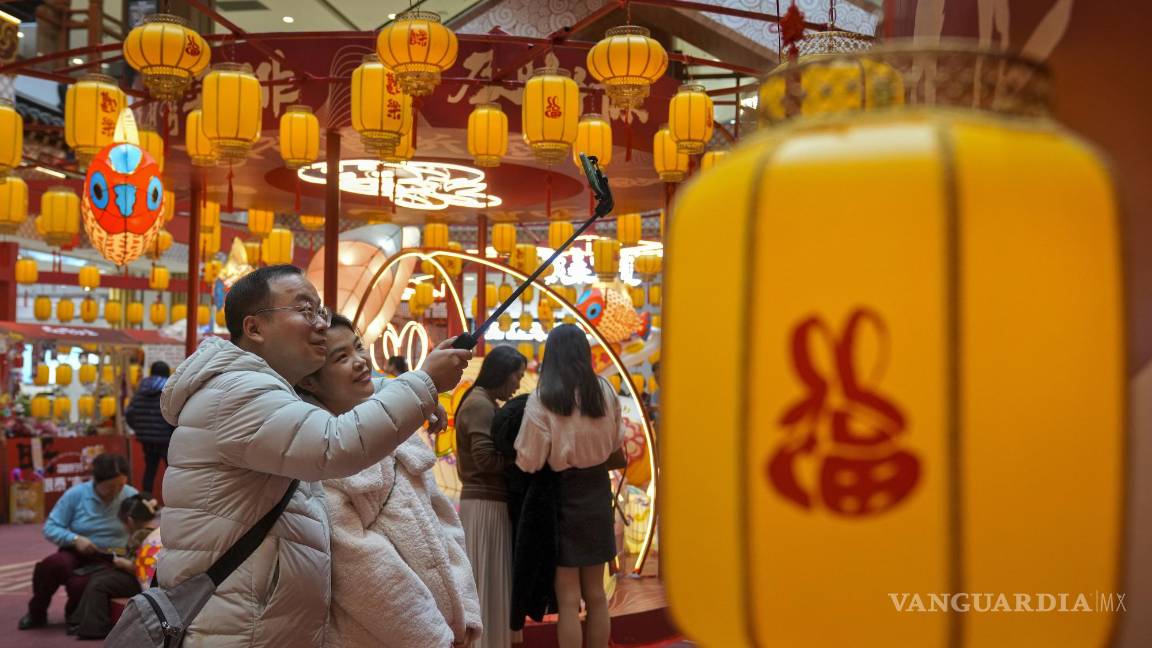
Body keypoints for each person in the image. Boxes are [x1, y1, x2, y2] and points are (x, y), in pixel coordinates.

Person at [157, 264, 471, 647]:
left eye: (320, 311)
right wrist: (424, 384)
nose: (321, 323)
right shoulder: (236, 392)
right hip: (238, 629)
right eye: (306, 310)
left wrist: (415, 396)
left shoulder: (273, 393)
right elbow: (333, 443)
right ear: (254, 328)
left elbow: (335, 402)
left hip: (261, 623)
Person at [297, 315, 481, 648]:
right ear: (310, 381)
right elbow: (361, 570)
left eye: (358, 348)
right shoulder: (318, 453)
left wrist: (465, 609)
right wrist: (435, 637)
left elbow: (444, 521)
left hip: (449, 628)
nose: (360, 362)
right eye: (341, 358)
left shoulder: (400, 433)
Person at [515, 325, 627, 648]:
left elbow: (529, 461)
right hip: (596, 494)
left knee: (567, 599)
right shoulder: (604, 391)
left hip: (561, 497)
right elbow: (616, 444)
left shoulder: (543, 399)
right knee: (596, 594)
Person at [454, 345, 528, 648]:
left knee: (486, 581)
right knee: (487, 584)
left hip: (484, 504)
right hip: (486, 505)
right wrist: (522, 459)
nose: (518, 384)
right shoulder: (481, 405)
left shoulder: (480, 401)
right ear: (503, 373)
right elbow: (485, 460)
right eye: (517, 376)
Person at [19, 453, 138, 631]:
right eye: (110, 487)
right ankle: (37, 612)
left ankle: (75, 611)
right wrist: (74, 539)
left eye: (120, 486)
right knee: (52, 565)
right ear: (96, 481)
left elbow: (144, 530)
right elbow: (50, 527)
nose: (116, 492)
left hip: (112, 557)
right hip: (77, 550)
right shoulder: (76, 494)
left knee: (80, 585)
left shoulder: (131, 495)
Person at [68, 493, 162, 639]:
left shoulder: (141, 536)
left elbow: (143, 568)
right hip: (149, 580)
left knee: (99, 583)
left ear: (129, 521)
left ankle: (93, 627)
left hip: (142, 581)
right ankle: (80, 620)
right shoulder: (158, 531)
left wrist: (123, 563)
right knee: (100, 578)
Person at [124, 361, 174, 494]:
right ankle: (174, 502)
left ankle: (146, 502)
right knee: (173, 471)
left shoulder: (141, 389)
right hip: (166, 439)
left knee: (150, 470)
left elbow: (129, 413)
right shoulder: (169, 390)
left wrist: (140, 429)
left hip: (147, 440)